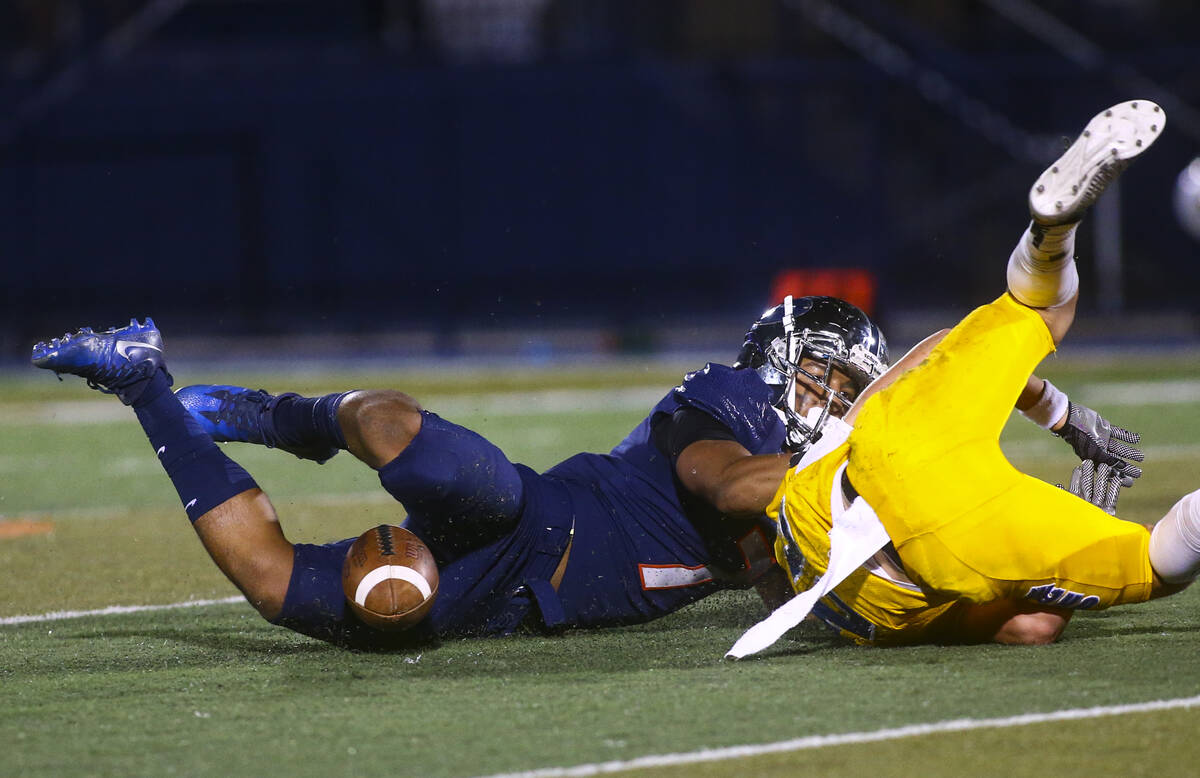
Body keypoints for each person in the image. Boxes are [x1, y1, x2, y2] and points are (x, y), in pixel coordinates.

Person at [28, 160, 1137, 653]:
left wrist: (1047, 427)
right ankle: (292, 413)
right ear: (788, 361)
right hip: (532, 521)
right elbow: (719, 483)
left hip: (508, 604)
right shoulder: (734, 403)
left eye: (843, 390)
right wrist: (867, 458)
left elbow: (938, 372)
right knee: (455, 473)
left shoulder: (833, 484)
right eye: (830, 380)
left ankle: (145, 385)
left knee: (337, 598)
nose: (835, 400)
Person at [726, 98, 1196, 657]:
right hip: (882, 452)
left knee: (1155, 560)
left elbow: (1035, 626)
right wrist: (1057, 412)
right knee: (1036, 308)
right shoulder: (802, 466)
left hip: (906, 554)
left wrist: (1055, 550)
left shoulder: (770, 498)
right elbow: (933, 356)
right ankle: (1052, 235)